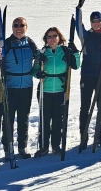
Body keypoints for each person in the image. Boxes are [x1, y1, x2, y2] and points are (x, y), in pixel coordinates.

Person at [32, 27, 80, 157]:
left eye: (54, 36)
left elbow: (76, 65)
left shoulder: (65, 51)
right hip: (45, 90)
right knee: (45, 119)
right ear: (46, 39)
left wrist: (75, 51)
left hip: (60, 90)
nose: (52, 39)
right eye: (49, 37)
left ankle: (56, 145)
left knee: (58, 119)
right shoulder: (42, 52)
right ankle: (43, 146)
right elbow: (35, 70)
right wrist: (38, 74)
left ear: (59, 38)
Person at [75, 0, 101, 151]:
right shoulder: (87, 36)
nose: (96, 24)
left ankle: (100, 135)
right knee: (85, 107)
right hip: (87, 75)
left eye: (99, 21)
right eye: (94, 21)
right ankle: (83, 136)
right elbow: (79, 27)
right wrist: (79, 9)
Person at [0, 17, 39, 160]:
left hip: (27, 87)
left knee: (23, 119)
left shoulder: (30, 43)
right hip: (10, 87)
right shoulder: (6, 44)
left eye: (22, 25)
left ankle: (22, 147)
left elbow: (39, 57)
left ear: (26, 27)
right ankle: (7, 148)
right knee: (7, 119)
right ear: (12, 28)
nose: (19, 28)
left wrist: (41, 62)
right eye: (16, 25)